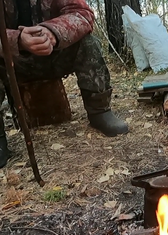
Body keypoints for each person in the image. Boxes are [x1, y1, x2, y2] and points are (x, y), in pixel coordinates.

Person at [0, 0, 129, 168]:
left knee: (88, 42)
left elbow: (83, 13)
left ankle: (99, 111)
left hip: (54, 55)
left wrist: (52, 32)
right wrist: (17, 40)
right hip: (10, 62)